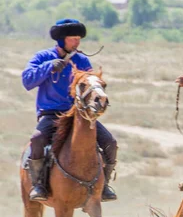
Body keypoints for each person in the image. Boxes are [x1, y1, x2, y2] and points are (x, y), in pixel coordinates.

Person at [22, 18, 118, 202]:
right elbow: (27, 81)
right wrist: (49, 67)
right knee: (37, 139)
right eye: (73, 39)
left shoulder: (81, 60)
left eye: (78, 39)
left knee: (110, 143)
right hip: (51, 114)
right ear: (61, 40)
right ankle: (39, 184)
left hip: (79, 114)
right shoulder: (42, 57)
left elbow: (90, 84)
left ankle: (104, 185)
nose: (77, 42)